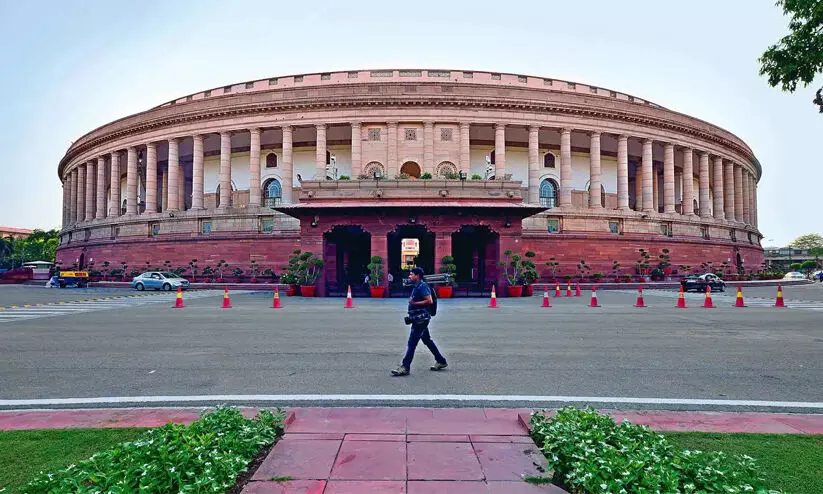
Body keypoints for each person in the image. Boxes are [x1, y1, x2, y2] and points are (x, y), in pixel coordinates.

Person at [391, 267, 448, 376]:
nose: (409, 276)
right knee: (427, 340)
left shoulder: (422, 286)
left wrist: (414, 303)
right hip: (418, 318)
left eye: (411, 274)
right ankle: (441, 361)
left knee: (411, 343)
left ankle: (405, 367)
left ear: (417, 276)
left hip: (421, 319)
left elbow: (429, 300)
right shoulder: (417, 286)